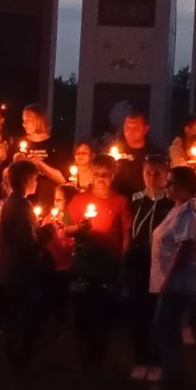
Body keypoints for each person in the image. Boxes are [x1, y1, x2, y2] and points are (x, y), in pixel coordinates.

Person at [63, 154, 130, 367]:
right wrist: (79, 228)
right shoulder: (79, 200)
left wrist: (124, 258)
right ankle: (81, 350)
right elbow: (65, 227)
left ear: (113, 176)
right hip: (84, 261)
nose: (101, 179)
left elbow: (127, 233)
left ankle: (97, 351)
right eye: (98, 174)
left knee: (103, 307)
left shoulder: (120, 202)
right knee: (81, 305)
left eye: (106, 175)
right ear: (91, 175)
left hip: (108, 262)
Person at [149, 166, 196, 390]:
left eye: (171, 182)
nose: (167, 186)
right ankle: (174, 374)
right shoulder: (178, 208)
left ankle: (171, 378)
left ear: (185, 186)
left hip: (178, 282)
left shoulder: (190, 211)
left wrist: (169, 278)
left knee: (164, 326)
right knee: (169, 327)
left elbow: (185, 245)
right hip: (171, 280)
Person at [0, 158, 49, 370]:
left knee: (14, 316)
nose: (37, 182)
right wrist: (46, 234)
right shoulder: (22, 206)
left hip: (9, 270)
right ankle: (20, 358)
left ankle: (13, 354)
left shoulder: (11, 202)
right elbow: (26, 244)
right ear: (26, 180)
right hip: (20, 272)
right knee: (26, 316)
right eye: (35, 178)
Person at [124, 154, 173, 381]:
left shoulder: (170, 202)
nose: (152, 178)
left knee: (158, 313)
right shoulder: (135, 200)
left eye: (157, 174)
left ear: (166, 175)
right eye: (148, 173)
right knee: (138, 312)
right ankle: (141, 359)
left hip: (161, 263)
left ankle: (158, 361)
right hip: (138, 262)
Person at [109, 111, 152, 197]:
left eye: (136, 128)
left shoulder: (153, 155)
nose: (131, 131)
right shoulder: (116, 152)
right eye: (127, 127)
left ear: (146, 129)